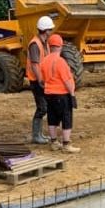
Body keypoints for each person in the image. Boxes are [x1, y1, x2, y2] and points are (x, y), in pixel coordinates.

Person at [41, 34, 80, 153]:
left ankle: (53, 142)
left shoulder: (44, 61)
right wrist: (72, 94)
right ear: (60, 46)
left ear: (49, 46)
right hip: (62, 95)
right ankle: (66, 144)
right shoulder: (60, 61)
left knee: (52, 118)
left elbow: (43, 79)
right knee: (66, 118)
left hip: (48, 94)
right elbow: (67, 80)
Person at [26, 16, 55, 144]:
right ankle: (36, 136)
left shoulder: (43, 43)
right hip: (36, 80)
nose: (52, 31)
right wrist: (40, 80)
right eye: (50, 29)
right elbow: (34, 64)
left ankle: (39, 134)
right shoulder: (35, 44)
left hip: (42, 79)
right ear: (46, 30)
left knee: (45, 107)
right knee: (42, 107)